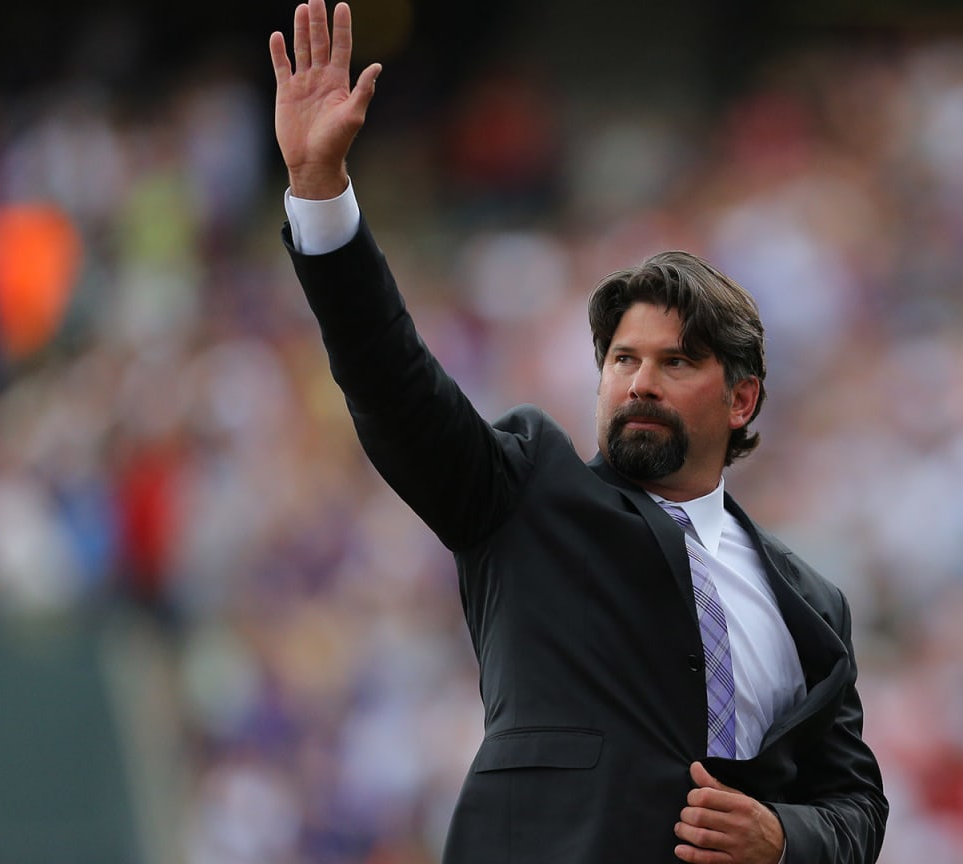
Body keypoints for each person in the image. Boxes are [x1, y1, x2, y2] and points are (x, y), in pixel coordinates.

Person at [268, 2, 888, 862]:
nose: (639, 381)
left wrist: (784, 836)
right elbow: (394, 382)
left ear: (741, 400)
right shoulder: (527, 496)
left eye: (675, 363)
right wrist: (321, 195)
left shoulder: (811, 603)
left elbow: (856, 806)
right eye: (622, 359)